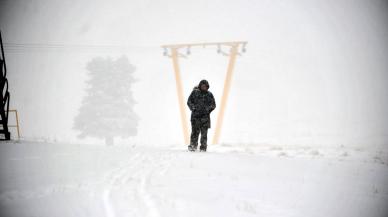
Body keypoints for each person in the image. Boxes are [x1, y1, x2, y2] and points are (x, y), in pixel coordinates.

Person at [187, 79, 216, 152]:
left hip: (205, 118)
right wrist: (193, 108)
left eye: (205, 86)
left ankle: (203, 147)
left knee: (204, 134)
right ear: (200, 86)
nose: (204, 87)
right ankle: (193, 146)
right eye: (202, 86)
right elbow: (189, 101)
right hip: (195, 117)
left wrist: (207, 110)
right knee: (194, 133)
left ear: (207, 87)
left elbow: (213, 105)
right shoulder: (194, 93)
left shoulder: (209, 94)